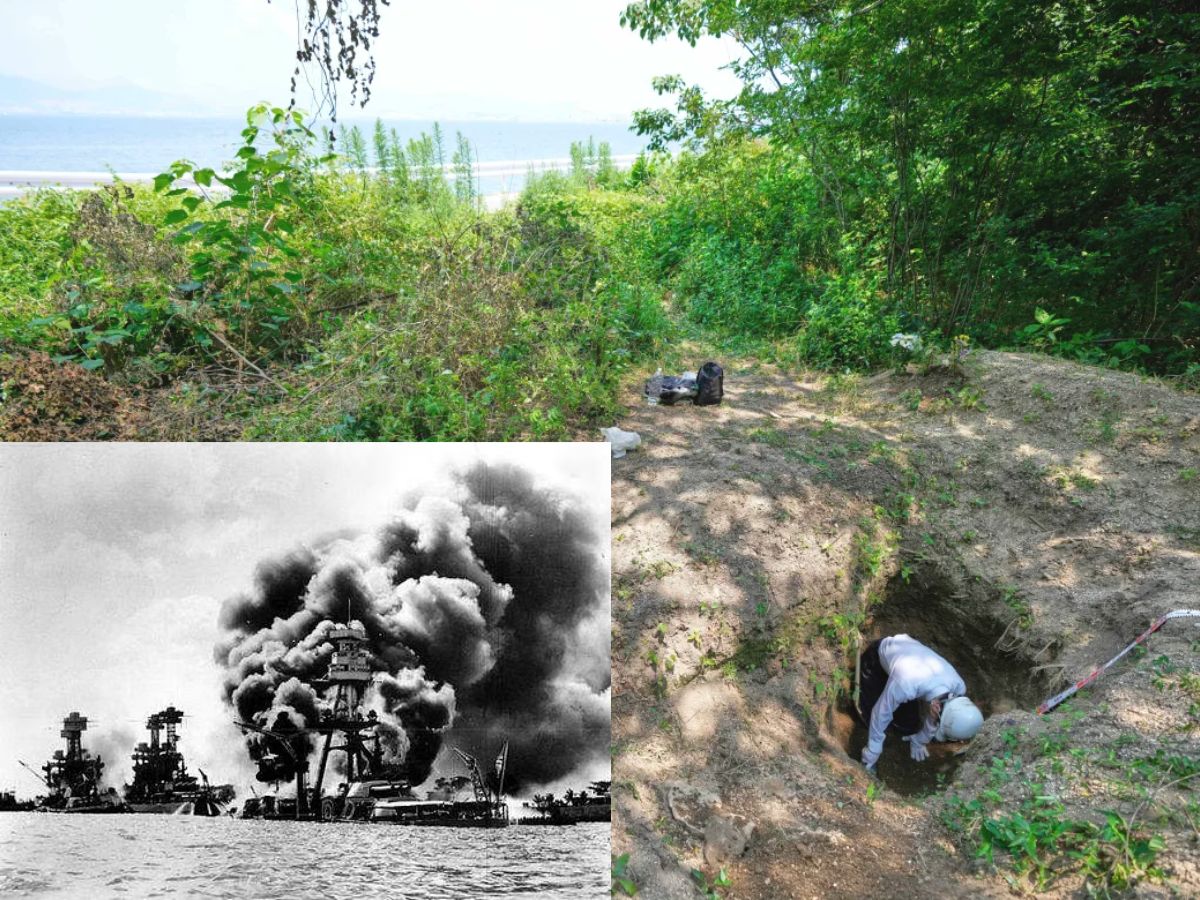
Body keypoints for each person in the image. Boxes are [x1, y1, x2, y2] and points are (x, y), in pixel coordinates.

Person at [856, 633, 984, 774]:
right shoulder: (906, 685)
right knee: (869, 716)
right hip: (880, 656)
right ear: (936, 708)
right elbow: (880, 713)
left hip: (911, 663)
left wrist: (919, 740)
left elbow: (939, 713)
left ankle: (899, 728)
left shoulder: (958, 687)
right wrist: (872, 751)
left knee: (908, 725)